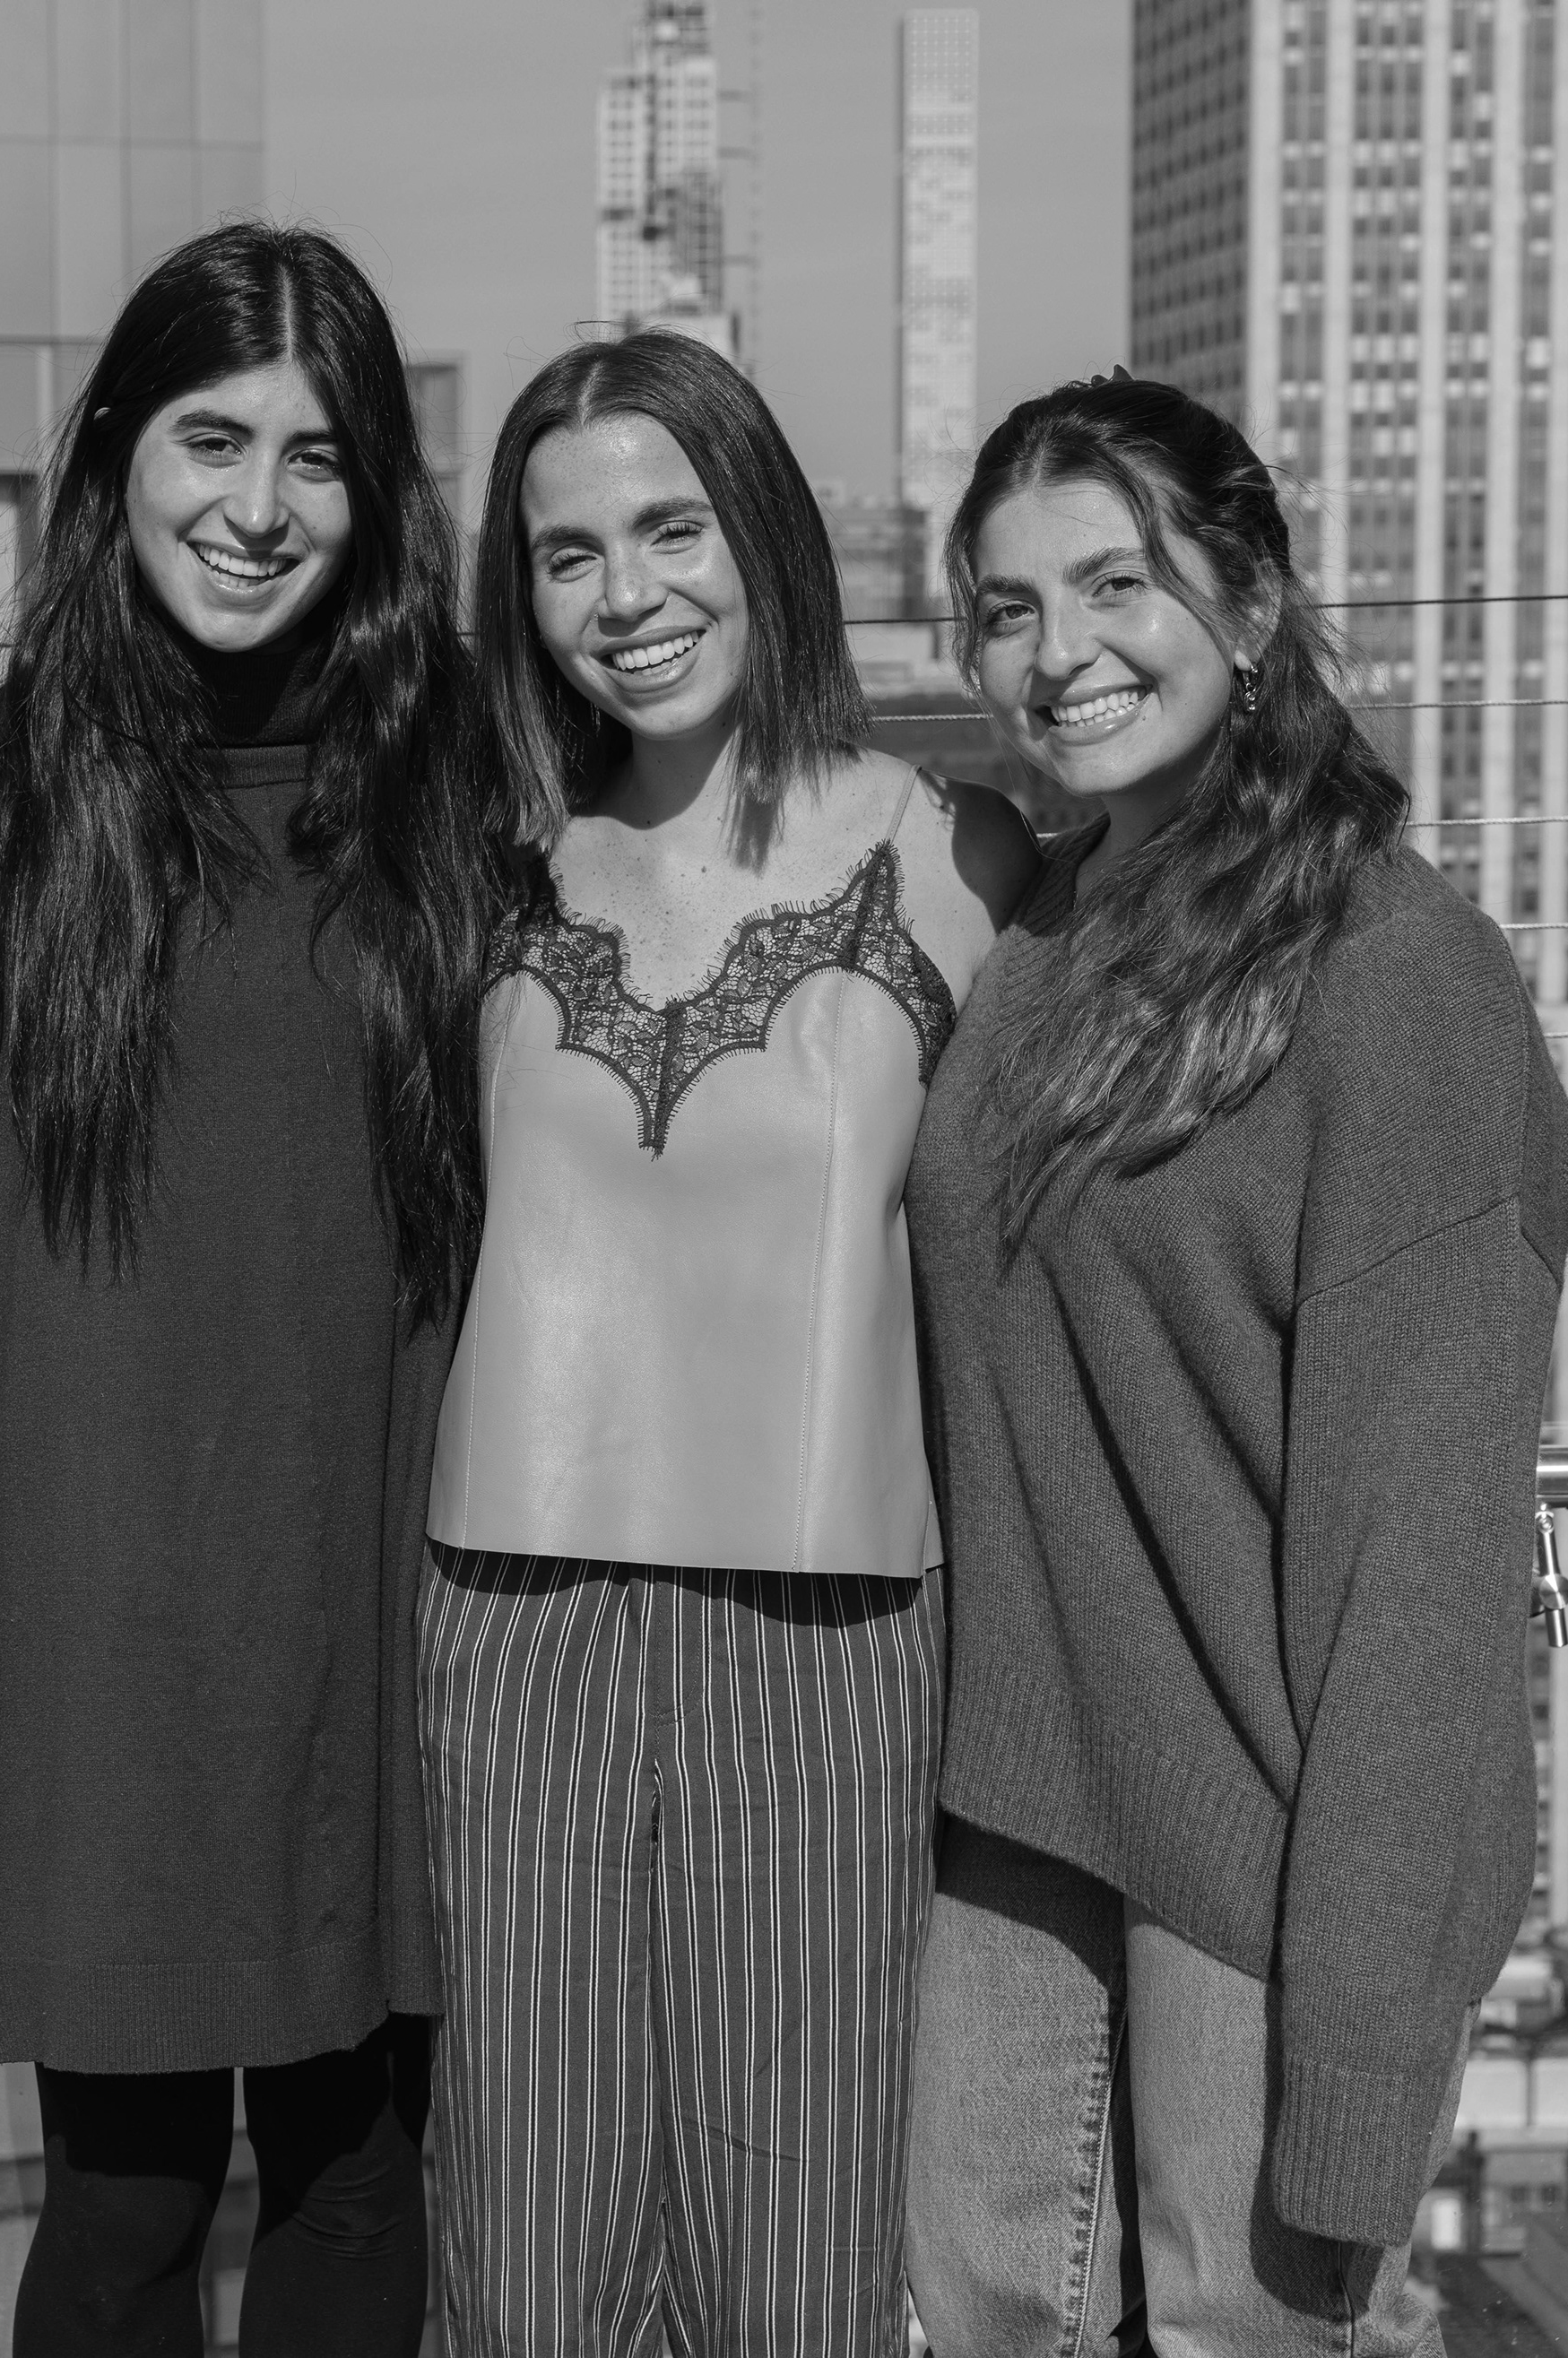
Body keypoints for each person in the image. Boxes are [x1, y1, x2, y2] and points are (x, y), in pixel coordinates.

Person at [902, 375, 1568, 2354]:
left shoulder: (1400, 980)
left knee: (1247, 2333)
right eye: (1009, 609)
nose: (1060, 652)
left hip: (1269, 1859)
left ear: (1257, 600)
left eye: (1118, 583)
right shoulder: (1046, 930)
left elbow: (1422, 1568)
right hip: (1009, 1802)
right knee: (978, 2319)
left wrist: (1361, 2048)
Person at [0, 221, 491, 2357]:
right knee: (122, 2203)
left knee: (360, 2179)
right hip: (102, 1618)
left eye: (316, 456)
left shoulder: (466, 787)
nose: (259, 505)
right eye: (211, 440)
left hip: (381, 1591)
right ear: (113, 458)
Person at [419, 330, 1035, 2356]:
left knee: (808, 2225)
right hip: (513, 1622)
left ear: (764, 529)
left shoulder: (965, 856)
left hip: (833, 1635)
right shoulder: (483, 869)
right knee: (527, 2225)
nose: (628, 594)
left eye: (672, 527)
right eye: (567, 553)